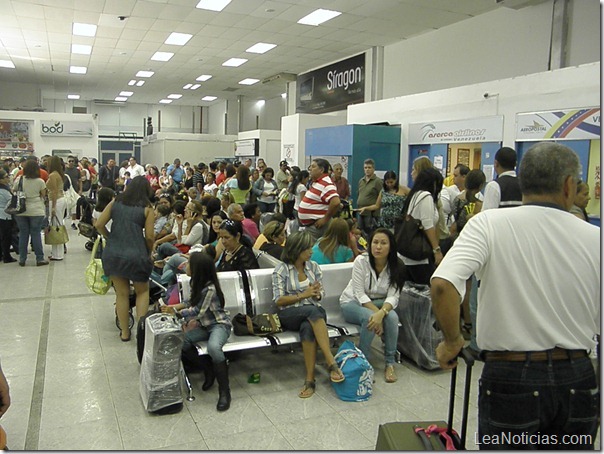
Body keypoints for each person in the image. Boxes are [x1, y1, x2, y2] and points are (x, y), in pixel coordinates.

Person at [431, 142, 599, 449]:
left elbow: (443, 284)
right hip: (577, 380)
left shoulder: (488, 224)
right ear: (568, 185)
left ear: (523, 181)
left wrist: (453, 341)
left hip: (511, 380)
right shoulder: (595, 238)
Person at [272, 231, 345, 398]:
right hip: (289, 315)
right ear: (297, 250)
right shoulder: (281, 270)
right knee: (314, 311)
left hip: (313, 317)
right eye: (307, 249)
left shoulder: (313, 267)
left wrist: (317, 294)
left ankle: (310, 380)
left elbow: (321, 293)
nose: (311, 252)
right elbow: (278, 300)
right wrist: (303, 295)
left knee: (308, 327)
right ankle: (330, 362)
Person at [162, 252, 233, 411]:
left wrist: (176, 313)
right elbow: (190, 301)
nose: (185, 266)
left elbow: (198, 312)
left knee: (214, 347)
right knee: (183, 342)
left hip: (220, 325)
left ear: (197, 269)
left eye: (188, 264)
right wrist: (173, 307)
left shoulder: (210, 289)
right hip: (206, 326)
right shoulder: (196, 282)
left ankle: (225, 391)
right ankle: (209, 369)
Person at [340, 228, 406, 382]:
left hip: (379, 304)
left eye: (383, 243)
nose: (378, 247)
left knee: (392, 317)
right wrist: (378, 314)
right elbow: (359, 293)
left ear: (391, 247)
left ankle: (390, 362)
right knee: (371, 317)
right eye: (375, 242)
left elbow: (394, 296)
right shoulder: (361, 261)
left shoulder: (397, 265)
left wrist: (381, 314)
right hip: (352, 303)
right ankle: (362, 362)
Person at [96, 176, 155, 342]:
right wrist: (148, 251)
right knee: (142, 292)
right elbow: (150, 237)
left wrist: (111, 237)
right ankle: (142, 334)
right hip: (137, 255)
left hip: (113, 253)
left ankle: (124, 333)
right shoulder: (148, 208)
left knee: (121, 295)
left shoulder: (115, 202)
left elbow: (99, 224)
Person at [399, 167, 444, 285]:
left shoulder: (414, 195)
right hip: (420, 256)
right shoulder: (426, 196)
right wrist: (437, 250)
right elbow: (428, 225)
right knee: (426, 292)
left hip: (407, 254)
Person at [13, 159, 48, 267]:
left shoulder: (19, 179)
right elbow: (43, 195)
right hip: (36, 210)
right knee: (35, 233)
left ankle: (22, 259)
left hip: (21, 210)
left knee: (23, 234)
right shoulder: (40, 181)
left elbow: (14, 191)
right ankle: (39, 258)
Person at [297, 158, 341, 242]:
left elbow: (336, 202)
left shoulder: (326, 183)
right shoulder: (317, 182)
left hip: (317, 226)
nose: (310, 169)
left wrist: (325, 219)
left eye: (313, 167)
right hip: (311, 226)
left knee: (313, 251)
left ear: (321, 170)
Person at [482, 146, 522, 210]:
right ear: (516, 164)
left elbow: (488, 215)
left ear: (496, 163)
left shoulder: (494, 186)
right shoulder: (524, 185)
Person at [45, 156, 68, 261]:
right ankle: (56, 252)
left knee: (56, 226)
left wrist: (53, 207)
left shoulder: (53, 175)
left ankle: (58, 254)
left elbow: (54, 191)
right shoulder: (59, 174)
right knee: (57, 225)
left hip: (56, 201)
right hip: (60, 199)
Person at [356, 159, 382, 239]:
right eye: (365, 167)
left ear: (373, 169)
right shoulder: (361, 181)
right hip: (360, 211)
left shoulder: (377, 181)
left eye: (369, 167)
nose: (367, 169)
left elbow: (381, 196)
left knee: (370, 234)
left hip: (371, 213)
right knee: (360, 233)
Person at [0, 169, 16, 263]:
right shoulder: (4, 190)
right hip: (4, 215)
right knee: (6, 237)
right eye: (6, 177)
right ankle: (6, 256)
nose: (8, 178)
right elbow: (11, 201)